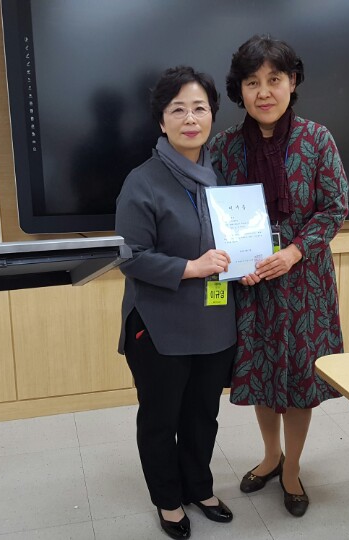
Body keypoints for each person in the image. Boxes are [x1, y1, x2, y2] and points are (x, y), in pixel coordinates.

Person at [209, 35, 349, 518]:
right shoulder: (225, 147)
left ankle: (293, 468)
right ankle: (271, 455)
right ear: (240, 90)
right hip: (252, 286)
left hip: (305, 283)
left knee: (299, 376)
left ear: (292, 82)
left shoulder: (317, 139)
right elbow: (215, 214)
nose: (264, 92)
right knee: (262, 371)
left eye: (274, 79)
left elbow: (335, 208)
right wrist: (236, 264)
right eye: (252, 82)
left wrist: (293, 252)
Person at [115, 66, 235, 540]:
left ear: (212, 116)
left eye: (199, 108)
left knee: (203, 414)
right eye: (178, 109)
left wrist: (251, 257)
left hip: (215, 321)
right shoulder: (142, 181)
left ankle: (199, 488)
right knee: (161, 419)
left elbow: (238, 237)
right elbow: (130, 257)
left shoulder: (223, 177)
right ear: (161, 120)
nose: (190, 119)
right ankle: (168, 500)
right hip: (159, 325)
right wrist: (192, 267)